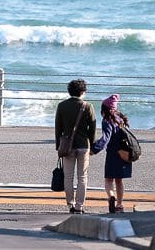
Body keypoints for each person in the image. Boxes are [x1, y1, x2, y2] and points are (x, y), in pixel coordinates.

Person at [54, 78, 97, 214]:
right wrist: (92, 145)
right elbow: (93, 128)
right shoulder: (88, 106)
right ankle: (79, 206)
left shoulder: (62, 106)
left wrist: (58, 146)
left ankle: (70, 205)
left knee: (68, 177)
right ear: (83, 91)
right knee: (82, 177)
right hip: (84, 145)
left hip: (67, 146)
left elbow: (58, 128)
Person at [91, 93, 132, 213]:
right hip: (124, 153)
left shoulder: (107, 121)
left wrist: (94, 149)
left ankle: (111, 197)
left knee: (109, 180)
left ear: (104, 109)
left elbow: (105, 139)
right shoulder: (120, 118)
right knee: (119, 181)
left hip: (113, 154)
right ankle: (119, 205)